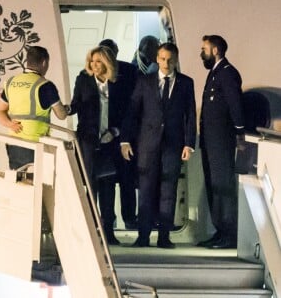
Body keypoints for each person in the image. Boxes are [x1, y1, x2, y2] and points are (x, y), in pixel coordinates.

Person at [121, 42, 196, 248]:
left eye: (170, 59)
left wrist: (189, 144)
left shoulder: (186, 83)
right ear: (156, 59)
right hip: (147, 145)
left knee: (168, 192)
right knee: (145, 191)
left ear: (176, 59)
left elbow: (190, 115)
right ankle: (143, 236)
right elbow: (133, 111)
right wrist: (125, 140)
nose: (166, 63)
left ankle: (164, 237)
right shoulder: (145, 81)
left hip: (173, 145)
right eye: (162, 59)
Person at [67, 45, 124, 245]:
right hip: (89, 141)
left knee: (108, 187)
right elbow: (75, 105)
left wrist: (115, 132)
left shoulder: (118, 83)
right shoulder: (83, 80)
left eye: (99, 61)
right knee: (90, 186)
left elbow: (125, 113)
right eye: (92, 61)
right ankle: (91, 231)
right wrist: (64, 109)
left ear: (107, 63)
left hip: (110, 142)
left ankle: (109, 231)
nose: (94, 65)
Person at [198, 35, 245, 249]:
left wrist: (239, 131)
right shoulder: (215, 73)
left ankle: (229, 233)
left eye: (204, 49)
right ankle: (220, 230)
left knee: (223, 186)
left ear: (215, 49)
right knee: (213, 185)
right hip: (210, 141)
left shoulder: (227, 73)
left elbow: (235, 104)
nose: (201, 53)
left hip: (222, 141)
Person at [0, 45, 68, 169]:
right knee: (38, 183)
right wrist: (67, 109)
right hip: (36, 144)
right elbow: (61, 115)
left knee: (18, 181)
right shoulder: (46, 86)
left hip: (14, 143)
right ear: (44, 62)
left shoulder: (11, 82)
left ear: (27, 61)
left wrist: (9, 124)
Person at [99, 39, 138, 230]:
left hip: (125, 134)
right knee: (105, 181)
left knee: (126, 180)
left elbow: (135, 104)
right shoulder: (93, 73)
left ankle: (129, 218)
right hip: (102, 137)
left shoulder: (129, 71)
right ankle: (108, 220)